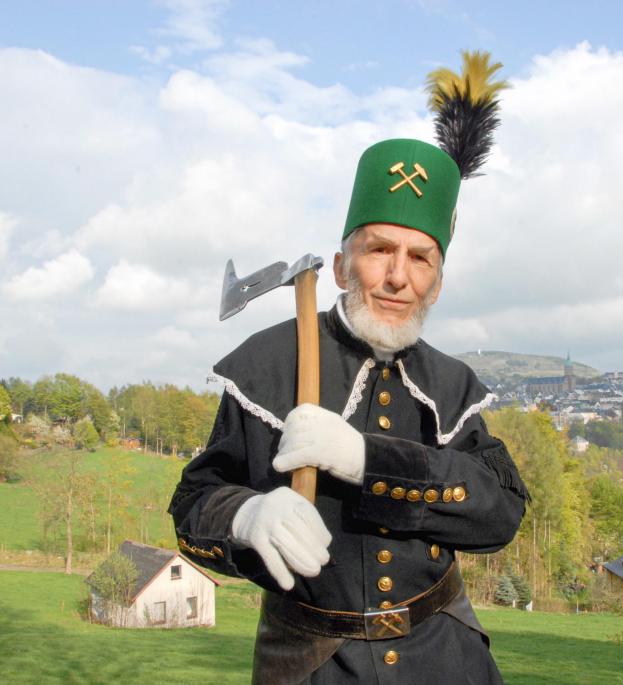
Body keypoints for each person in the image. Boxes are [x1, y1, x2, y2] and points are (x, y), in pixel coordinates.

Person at [169, 135, 529, 683]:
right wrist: (246, 516)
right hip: (312, 665)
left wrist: (369, 461)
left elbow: (500, 515)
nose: (398, 277)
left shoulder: (453, 386)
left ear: (437, 282)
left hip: (446, 658)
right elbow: (195, 504)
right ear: (341, 266)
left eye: (420, 259)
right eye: (380, 250)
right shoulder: (265, 364)